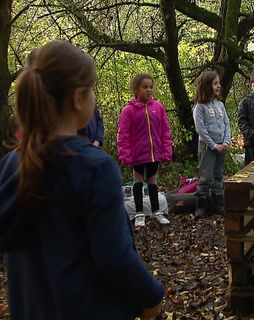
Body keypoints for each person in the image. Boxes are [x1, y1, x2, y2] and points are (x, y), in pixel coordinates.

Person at [0, 40, 163, 320]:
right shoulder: (94, 168)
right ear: (78, 98)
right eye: (92, 89)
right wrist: (151, 296)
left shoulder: (11, 163)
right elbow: (115, 257)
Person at [117, 73, 172, 227]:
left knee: (153, 181)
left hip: (154, 153)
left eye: (150, 87)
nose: (149, 90)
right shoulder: (129, 110)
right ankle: (139, 213)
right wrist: (125, 154)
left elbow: (165, 131)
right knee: (138, 181)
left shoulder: (158, 107)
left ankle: (157, 211)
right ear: (136, 89)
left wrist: (166, 151)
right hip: (138, 154)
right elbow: (123, 134)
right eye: (145, 87)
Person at [193, 70, 231, 218]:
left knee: (218, 175)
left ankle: (218, 204)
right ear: (206, 85)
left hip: (222, 146)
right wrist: (214, 145)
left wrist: (226, 141)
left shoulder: (220, 105)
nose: (218, 86)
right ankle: (201, 206)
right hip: (208, 148)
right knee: (206, 176)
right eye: (215, 83)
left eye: (219, 83)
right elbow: (200, 130)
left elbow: (226, 123)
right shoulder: (199, 107)